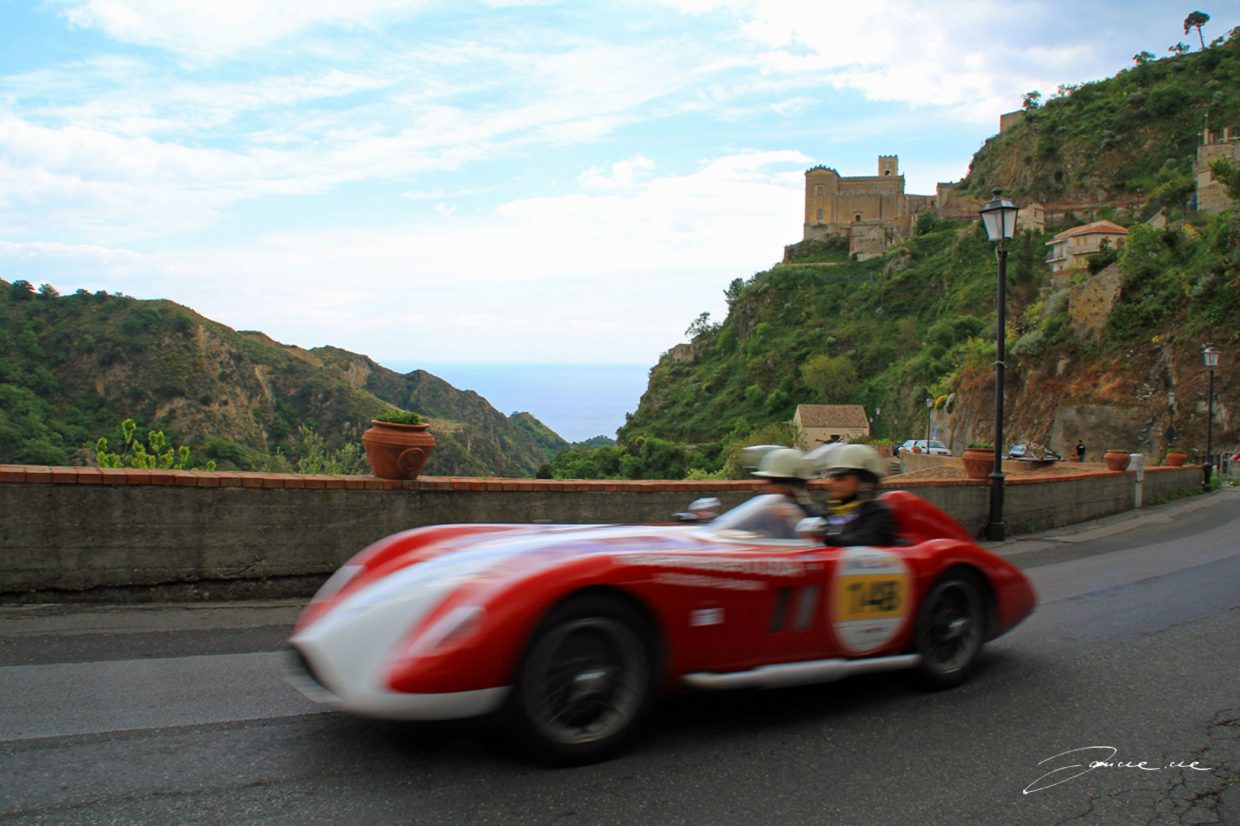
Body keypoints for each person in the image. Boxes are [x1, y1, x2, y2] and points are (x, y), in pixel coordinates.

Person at [822, 444, 898, 547]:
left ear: (864, 480)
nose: (831, 482)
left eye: (840, 477)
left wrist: (826, 539)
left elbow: (865, 540)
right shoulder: (831, 514)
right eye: (830, 477)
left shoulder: (878, 514)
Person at [752, 448, 819, 517]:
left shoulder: (808, 520)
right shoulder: (769, 514)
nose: (765, 485)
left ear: (789, 487)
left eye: (771, 481)